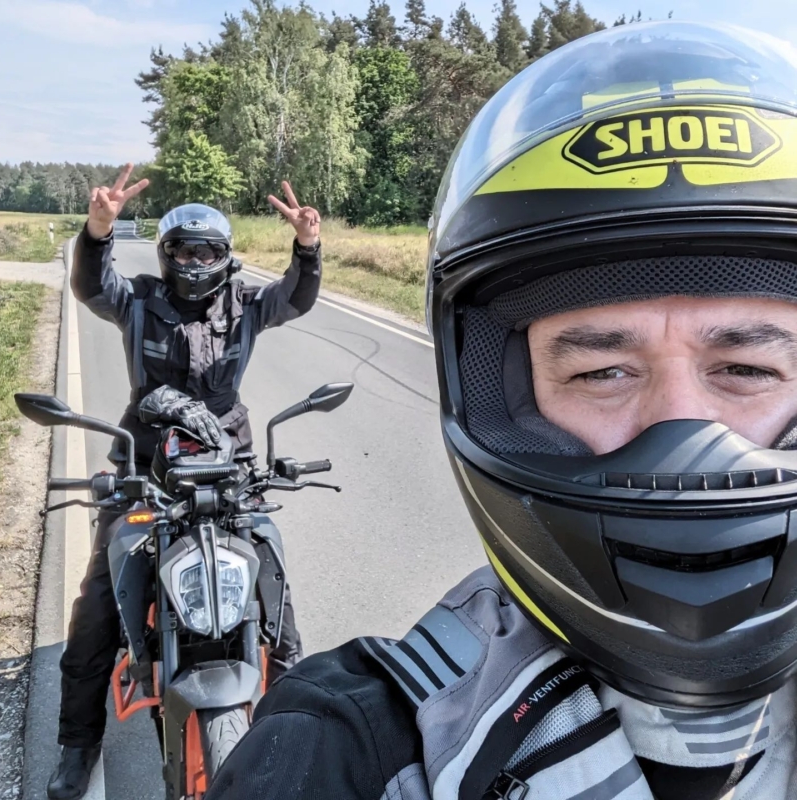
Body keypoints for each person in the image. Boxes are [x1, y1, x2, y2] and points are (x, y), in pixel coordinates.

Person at [205, 21, 797, 800]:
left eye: (747, 368)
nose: (681, 439)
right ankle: (77, 741)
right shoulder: (353, 752)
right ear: (500, 396)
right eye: (604, 370)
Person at [47, 167, 322, 800]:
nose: (196, 260)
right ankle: (77, 745)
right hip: (147, 467)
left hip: (231, 466)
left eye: (208, 251)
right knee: (95, 612)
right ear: (168, 255)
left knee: (278, 606)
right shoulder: (139, 301)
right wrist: (97, 231)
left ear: (225, 258)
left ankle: (296, 732)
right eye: (185, 250)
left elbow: (297, 297)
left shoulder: (247, 305)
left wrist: (307, 247)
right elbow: (93, 286)